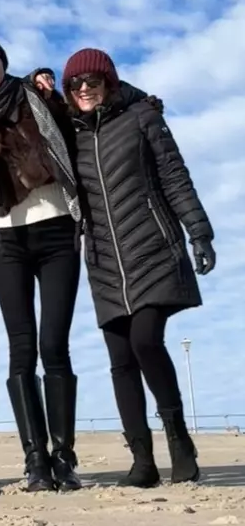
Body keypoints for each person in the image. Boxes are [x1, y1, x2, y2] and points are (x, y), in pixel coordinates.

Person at [60, 48, 215, 488]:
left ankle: (179, 440)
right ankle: (142, 459)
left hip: (152, 246)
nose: (84, 89)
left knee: (146, 340)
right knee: (120, 360)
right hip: (104, 261)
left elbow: (174, 176)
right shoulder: (69, 134)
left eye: (92, 81)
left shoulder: (141, 117)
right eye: (75, 84)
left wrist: (199, 231)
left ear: (109, 82)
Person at [0, 31, 86, 493]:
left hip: (59, 230)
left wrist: (53, 90)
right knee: (21, 350)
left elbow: (79, 128)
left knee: (55, 345)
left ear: (3, 60)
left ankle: (64, 459)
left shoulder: (36, 96)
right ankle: (36, 463)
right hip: (8, 240)